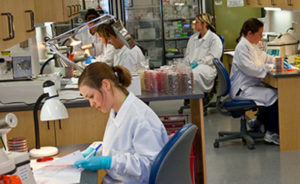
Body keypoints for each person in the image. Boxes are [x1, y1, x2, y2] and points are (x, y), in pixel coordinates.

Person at [74, 62, 169, 183]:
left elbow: (148, 166)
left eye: (91, 96)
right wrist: (96, 150)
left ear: (106, 84)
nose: (91, 104)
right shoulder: (117, 109)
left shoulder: (140, 117)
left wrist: (108, 162)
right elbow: (121, 146)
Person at [230, 18, 279, 145]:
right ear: (250, 33)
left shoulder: (252, 45)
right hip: (242, 90)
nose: (261, 37)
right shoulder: (242, 48)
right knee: (275, 95)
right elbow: (250, 69)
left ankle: (258, 122)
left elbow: (265, 57)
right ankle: (271, 133)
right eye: (259, 34)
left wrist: (278, 61)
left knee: (270, 93)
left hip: (248, 86)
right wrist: (268, 67)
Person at [185, 13, 223, 92]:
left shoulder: (214, 39)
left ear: (204, 24)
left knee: (193, 75)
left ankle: (200, 97)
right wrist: (185, 64)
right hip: (192, 66)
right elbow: (187, 54)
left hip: (207, 67)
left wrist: (198, 63)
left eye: (197, 22)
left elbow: (213, 57)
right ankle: (189, 98)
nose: (195, 24)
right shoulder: (192, 38)